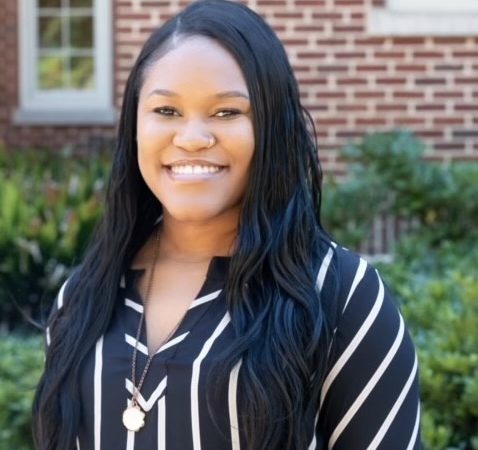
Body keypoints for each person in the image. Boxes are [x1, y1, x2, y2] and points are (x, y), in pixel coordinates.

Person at [32, 0, 421, 449]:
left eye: (227, 112)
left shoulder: (342, 297)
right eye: (167, 111)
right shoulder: (82, 298)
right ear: (134, 126)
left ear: (272, 127)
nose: (193, 138)